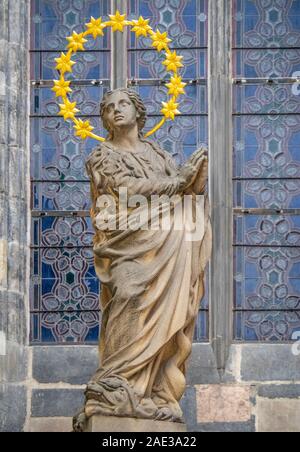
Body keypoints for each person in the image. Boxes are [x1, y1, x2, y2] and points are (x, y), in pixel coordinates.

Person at [76, 88, 211, 428]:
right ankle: (115, 382)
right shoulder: (101, 155)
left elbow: (182, 194)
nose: (115, 110)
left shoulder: (157, 154)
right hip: (126, 244)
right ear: (104, 119)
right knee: (129, 296)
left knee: (166, 316)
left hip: (167, 248)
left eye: (122, 104)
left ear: (138, 111)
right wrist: (177, 183)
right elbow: (124, 189)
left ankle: (151, 392)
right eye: (108, 107)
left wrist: (194, 183)